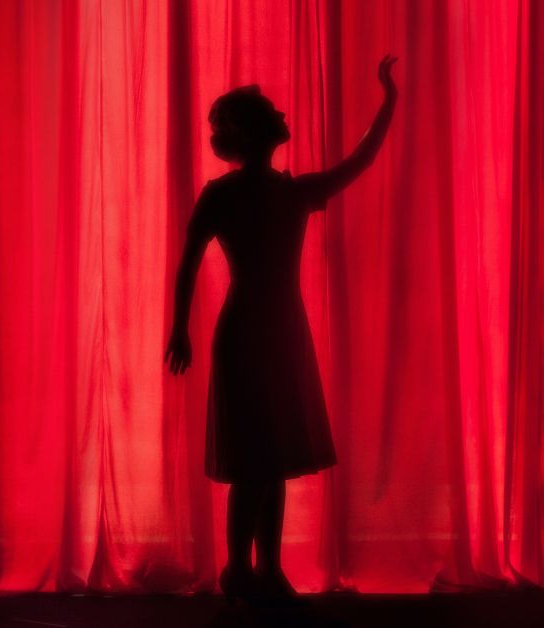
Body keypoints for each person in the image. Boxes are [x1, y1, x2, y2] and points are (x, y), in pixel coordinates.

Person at [165, 56, 398, 605]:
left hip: (279, 332)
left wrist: (388, 100)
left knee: (271, 463)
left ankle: (264, 569)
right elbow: (188, 262)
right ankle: (240, 572)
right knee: (255, 461)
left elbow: (360, 161)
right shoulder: (229, 195)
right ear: (248, 132)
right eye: (268, 111)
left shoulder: (286, 191)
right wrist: (178, 328)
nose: (280, 113)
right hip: (250, 333)